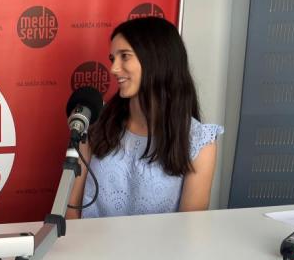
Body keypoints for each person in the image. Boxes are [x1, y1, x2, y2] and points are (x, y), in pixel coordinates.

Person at [67, 17, 223, 219]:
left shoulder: (199, 141)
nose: (113, 68)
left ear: (157, 59)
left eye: (125, 56)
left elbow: (190, 227)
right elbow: (71, 208)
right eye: (113, 59)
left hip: (163, 242)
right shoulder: (95, 122)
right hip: (89, 240)